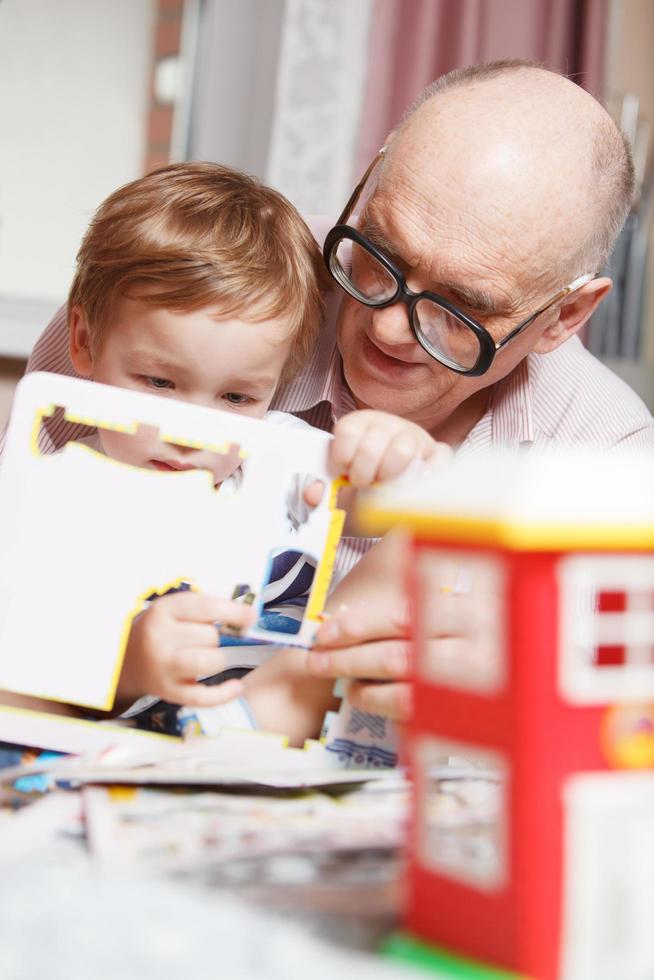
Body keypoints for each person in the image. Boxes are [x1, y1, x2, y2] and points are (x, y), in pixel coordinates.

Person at [8, 60, 654, 730]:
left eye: (461, 308)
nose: (387, 325)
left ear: (563, 318)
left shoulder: (611, 455)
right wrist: (118, 656)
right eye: (382, 254)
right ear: (371, 181)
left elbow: (621, 726)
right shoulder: (194, 289)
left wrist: (519, 676)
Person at [0, 160, 442, 743]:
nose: (195, 434)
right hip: (109, 728)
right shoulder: (52, 487)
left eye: (236, 396)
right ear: (82, 342)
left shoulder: (286, 459)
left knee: (421, 544)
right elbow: (36, 660)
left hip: (265, 712)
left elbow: (413, 510)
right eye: (159, 384)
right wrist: (127, 667)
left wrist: (395, 458)